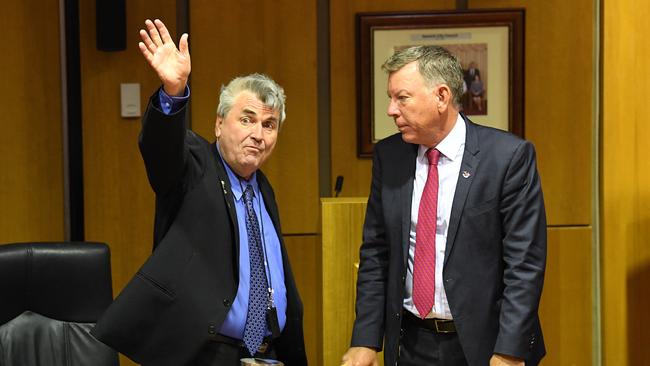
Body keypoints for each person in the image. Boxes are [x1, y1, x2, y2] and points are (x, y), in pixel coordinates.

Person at [91, 19, 307, 366]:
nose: (258, 134)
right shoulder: (195, 166)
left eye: (269, 125)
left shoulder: (263, 190)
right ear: (219, 124)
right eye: (247, 119)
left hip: (266, 354)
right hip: (204, 355)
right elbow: (161, 149)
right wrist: (173, 93)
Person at [341, 46, 547, 366]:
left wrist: (509, 351)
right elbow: (376, 253)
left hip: (486, 344)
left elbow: (525, 264)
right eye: (390, 98)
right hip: (411, 342)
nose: (391, 110)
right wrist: (365, 339)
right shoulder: (390, 157)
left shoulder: (507, 157)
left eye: (402, 98)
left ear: (441, 96)